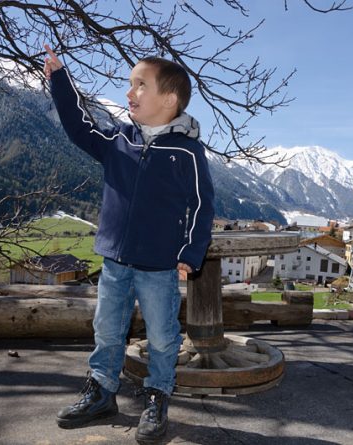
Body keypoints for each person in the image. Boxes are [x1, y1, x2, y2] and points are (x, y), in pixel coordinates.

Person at [43, 44, 215, 443]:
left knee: (161, 336)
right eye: (129, 84)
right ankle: (101, 391)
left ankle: (157, 396)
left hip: (158, 267)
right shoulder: (120, 138)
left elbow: (203, 208)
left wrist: (190, 253)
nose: (129, 92)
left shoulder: (188, 153)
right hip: (115, 260)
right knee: (106, 328)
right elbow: (78, 126)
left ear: (169, 99)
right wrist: (60, 81)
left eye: (140, 85)